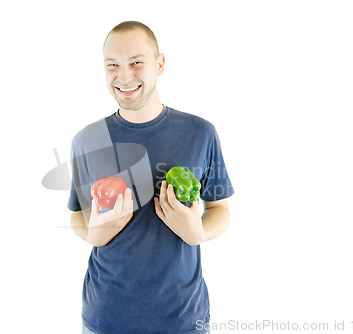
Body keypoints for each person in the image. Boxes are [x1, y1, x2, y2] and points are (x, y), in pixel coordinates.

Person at [68, 21, 234, 334]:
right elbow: (78, 212)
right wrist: (94, 234)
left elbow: (220, 209)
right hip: (105, 318)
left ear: (159, 64)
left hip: (183, 320)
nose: (124, 75)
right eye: (113, 65)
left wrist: (197, 232)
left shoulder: (200, 133)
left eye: (136, 62)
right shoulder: (87, 140)